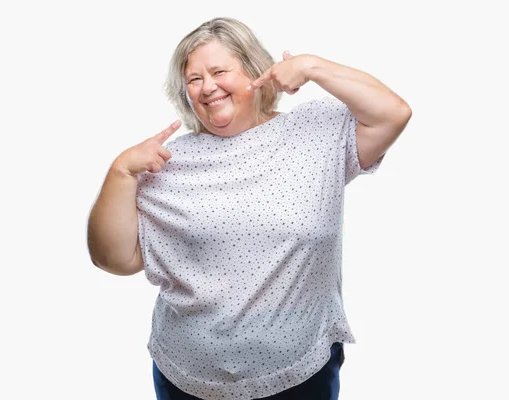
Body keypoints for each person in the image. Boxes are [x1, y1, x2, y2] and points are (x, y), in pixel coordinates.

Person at [87, 16, 411, 400]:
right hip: (187, 379)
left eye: (219, 71)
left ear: (256, 71)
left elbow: (393, 114)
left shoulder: (315, 133)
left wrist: (310, 66)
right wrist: (120, 170)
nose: (208, 87)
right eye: (194, 79)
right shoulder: (165, 162)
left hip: (300, 375)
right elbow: (114, 259)